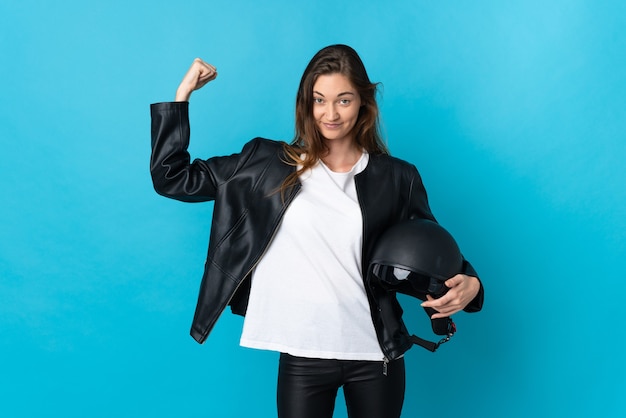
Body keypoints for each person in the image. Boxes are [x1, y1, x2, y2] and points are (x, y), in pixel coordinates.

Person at [150, 44, 483, 418]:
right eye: (319, 99)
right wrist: (181, 97)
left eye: (343, 100)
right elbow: (172, 178)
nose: (330, 113)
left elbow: (429, 250)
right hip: (303, 356)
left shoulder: (397, 177)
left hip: (376, 356)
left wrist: (472, 284)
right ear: (306, 102)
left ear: (363, 102)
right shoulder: (264, 164)